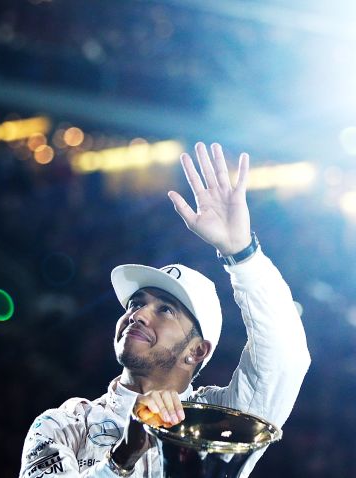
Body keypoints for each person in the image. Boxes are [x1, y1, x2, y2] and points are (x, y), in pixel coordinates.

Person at [20, 142, 311, 477]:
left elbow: (285, 357)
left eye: (165, 310)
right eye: (137, 303)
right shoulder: (64, 425)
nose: (139, 314)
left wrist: (242, 255)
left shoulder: (221, 420)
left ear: (197, 351)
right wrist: (121, 458)